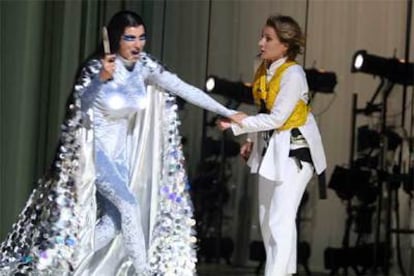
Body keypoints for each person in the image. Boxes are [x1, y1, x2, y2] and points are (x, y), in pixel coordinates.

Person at [0, 10, 237, 276]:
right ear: (116, 39)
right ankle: (144, 272)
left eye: (141, 37)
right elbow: (80, 106)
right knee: (129, 206)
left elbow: (184, 88)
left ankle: (55, 263)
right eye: (130, 38)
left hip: (120, 156)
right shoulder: (97, 67)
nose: (137, 44)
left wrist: (229, 112)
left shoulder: (145, 65)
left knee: (113, 224)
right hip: (95, 153)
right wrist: (99, 80)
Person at [218, 15, 327, 276]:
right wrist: (250, 140)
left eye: (268, 38)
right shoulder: (265, 70)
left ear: (285, 45)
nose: (261, 42)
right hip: (272, 150)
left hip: (296, 152)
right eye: (262, 36)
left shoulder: (293, 74)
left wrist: (239, 124)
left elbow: (278, 117)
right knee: (267, 222)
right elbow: (264, 109)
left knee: (279, 219)